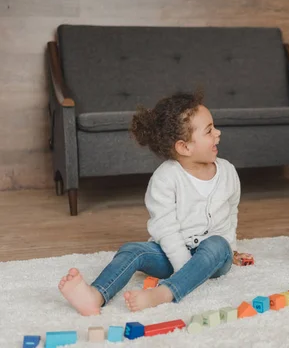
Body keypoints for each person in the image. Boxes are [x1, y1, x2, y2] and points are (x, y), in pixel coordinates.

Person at [58, 90, 253, 315]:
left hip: (213, 258)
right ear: (184, 147)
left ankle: (165, 293)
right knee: (132, 250)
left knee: (218, 244)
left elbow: (231, 212)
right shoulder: (165, 178)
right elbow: (165, 227)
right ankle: (96, 294)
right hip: (172, 254)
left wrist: (232, 248)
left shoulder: (227, 172)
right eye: (209, 130)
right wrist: (184, 267)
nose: (218, 133)